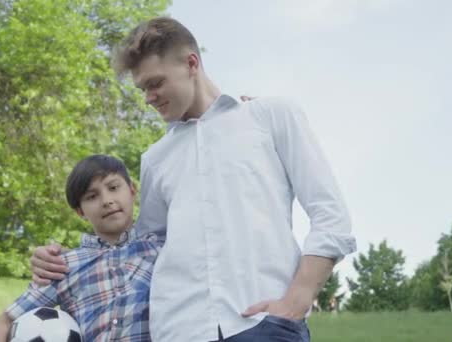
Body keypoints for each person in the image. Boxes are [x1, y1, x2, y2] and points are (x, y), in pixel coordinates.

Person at [30, 17, 356, 341]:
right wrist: (62, 262)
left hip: (262, 323)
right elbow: (140, 247)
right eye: (142, 89)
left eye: (156, 83)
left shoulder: (269, 116)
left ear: (191, 63)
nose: (149, 98)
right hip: (176, 330)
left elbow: (331, 216)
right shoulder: (155, 158)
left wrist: (295, 302)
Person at [0, 155, 161, 342]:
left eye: (113, 188)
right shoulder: (64, 265)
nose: (107, 200)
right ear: (80, 211)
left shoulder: (159, 252)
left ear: (132, 190)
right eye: (92, 196)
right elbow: (4, 322)